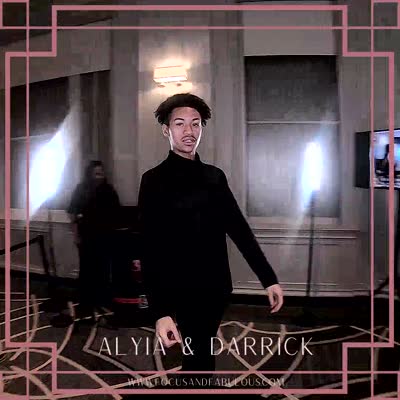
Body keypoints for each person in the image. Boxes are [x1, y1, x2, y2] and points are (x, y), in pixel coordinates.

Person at [135, 93, 283, 387]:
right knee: (199, 358)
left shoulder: (215, 177)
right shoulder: (153, 180)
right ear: (166, 130)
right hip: (180, 289)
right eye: (180, 124)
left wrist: (268, 278)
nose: (189, 131)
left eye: (195, 124)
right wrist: (160, 311)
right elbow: (148, 248)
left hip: (215, 288)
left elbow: (239, 230)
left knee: (200, 355)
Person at [67, 160, 121, 319]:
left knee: (103, 269)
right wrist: (76, 235)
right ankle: (86, 303)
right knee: (87, 270)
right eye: (97, 173)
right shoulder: (81, 189)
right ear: (90, 174)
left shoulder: (108, 190)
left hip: (105, 237)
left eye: (101, 173)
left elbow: (116, 212)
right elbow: (73, 213)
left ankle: (102, 299)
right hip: (87, 236)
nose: (100, 176)